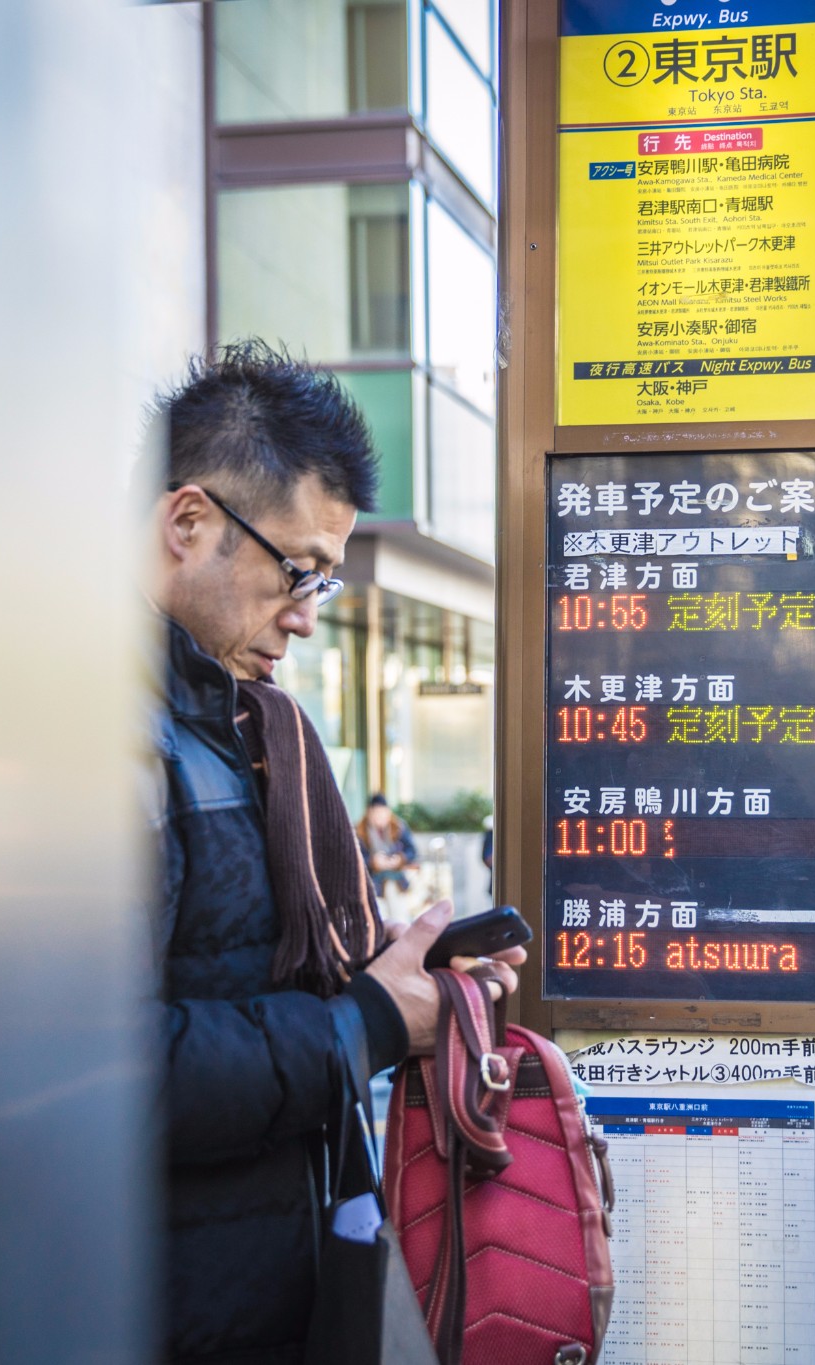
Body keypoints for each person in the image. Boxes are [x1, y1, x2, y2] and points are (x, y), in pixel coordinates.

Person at [145, 341, 523, 1365]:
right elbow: (92, 1070)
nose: (308, 616)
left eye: (327, 581)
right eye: (296, 572)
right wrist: (361, 1023)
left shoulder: (235, 724)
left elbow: (222, 973)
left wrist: (394, 978)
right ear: (188, 522)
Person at [357, 793, 419, 897]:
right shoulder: (360, 831)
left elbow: (412, 851)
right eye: (376, 813)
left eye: (382, 813)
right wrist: (373, 862)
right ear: (369, 813)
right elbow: (355, 858)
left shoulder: (399, 827)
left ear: (388, 812)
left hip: (397, 878)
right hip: (371, 881)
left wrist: (400, 859)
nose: (379, 817)